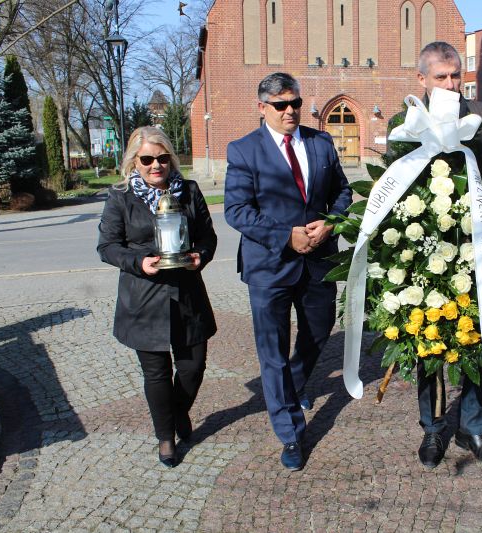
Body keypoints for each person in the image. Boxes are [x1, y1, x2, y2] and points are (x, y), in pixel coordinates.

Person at [224, 73, 352, 471]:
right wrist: (285, 235)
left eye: (294, 103)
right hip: (269, 266)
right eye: (280, 105)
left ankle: (292, 387)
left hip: (318, 260)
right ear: (262, 108)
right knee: (272, 352)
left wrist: (331, 221)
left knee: (318, 333)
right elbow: (237, 211)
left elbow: (343, 192)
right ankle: (290, 432)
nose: (290, 111)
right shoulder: (243, 150)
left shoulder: (321, 142)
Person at [388, 41, 482, 468]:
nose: (451, 84)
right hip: (426, 251)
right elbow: (394, 185)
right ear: (421, 78)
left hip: (479, 248)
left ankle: (474, 428)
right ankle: (433, 429)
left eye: (457, 75)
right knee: (429, 344)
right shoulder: (405, 121)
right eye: (441, 77)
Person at [98, 126, 217, 468]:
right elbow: (107, 247)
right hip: (143, 297)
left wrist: (201, 256)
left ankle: (178, 412)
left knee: (193, 367)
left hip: (187, 294)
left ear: (171, 159)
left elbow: (208, 236)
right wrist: (137, 262)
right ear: (134, 161)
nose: (156, 165)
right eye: (147, 159)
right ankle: (166, 437)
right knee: (157, 374)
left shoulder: (189, 190)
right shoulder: (120, 196)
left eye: (163, 158)